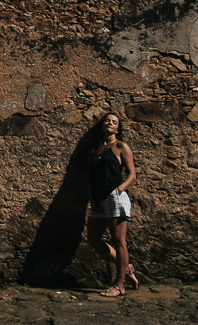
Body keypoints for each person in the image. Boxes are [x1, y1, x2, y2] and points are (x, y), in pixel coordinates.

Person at [86, 111, 139, 298]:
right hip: (99, 199)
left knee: (119, 241)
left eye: (113, 121)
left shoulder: (120, 146)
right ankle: (127, 267)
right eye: (107, 120)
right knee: (92, 239)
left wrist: (120, 190)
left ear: (117, 128)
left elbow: (132, 174)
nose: (109, 123)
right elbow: (91, 177)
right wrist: (92, 198)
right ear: (102, 125)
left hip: (115, 196)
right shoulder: (96, 148)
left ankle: (119, 285)